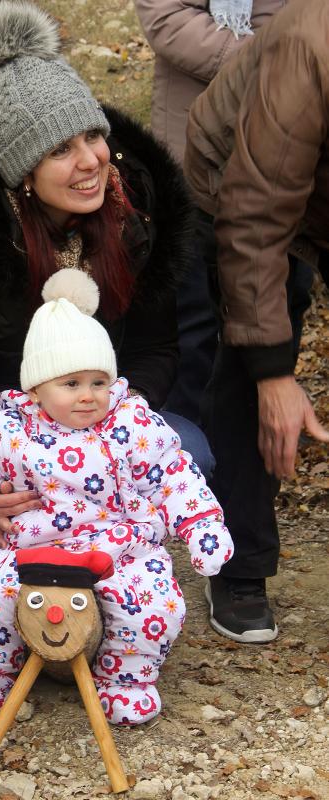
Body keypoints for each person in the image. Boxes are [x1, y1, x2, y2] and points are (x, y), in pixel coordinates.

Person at [0, 0, 209, 665]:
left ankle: (125, 572)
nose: (91, 160)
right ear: (23, 177)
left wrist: (112, 432)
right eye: (61, 149)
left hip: (102, 432)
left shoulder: (137, 220)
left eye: (92, 137)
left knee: (189, 448)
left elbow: (157, 351)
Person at [0, 270, 234, 725]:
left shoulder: (132, 426)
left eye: (98, 382)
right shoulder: (9, 429)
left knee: (151, 603)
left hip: (118, 546)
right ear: (36, 388)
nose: (88, 396)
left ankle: (125, 680)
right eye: (71, 383)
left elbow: (174, 474)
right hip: (31, 547)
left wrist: (200, 524)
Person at [184, 0, 329, 643]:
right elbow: (256, 217)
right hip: (233, 193)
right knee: (249, 369)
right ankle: (239, 565)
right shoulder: (309, 46)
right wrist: (276, 373)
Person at [134, 0, 285, 423]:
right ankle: (182, 447)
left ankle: (251, 443)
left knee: (272, 303)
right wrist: (263, 57)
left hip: (281, 150)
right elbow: (163, 17)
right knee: (192, 314)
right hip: (191, 150)